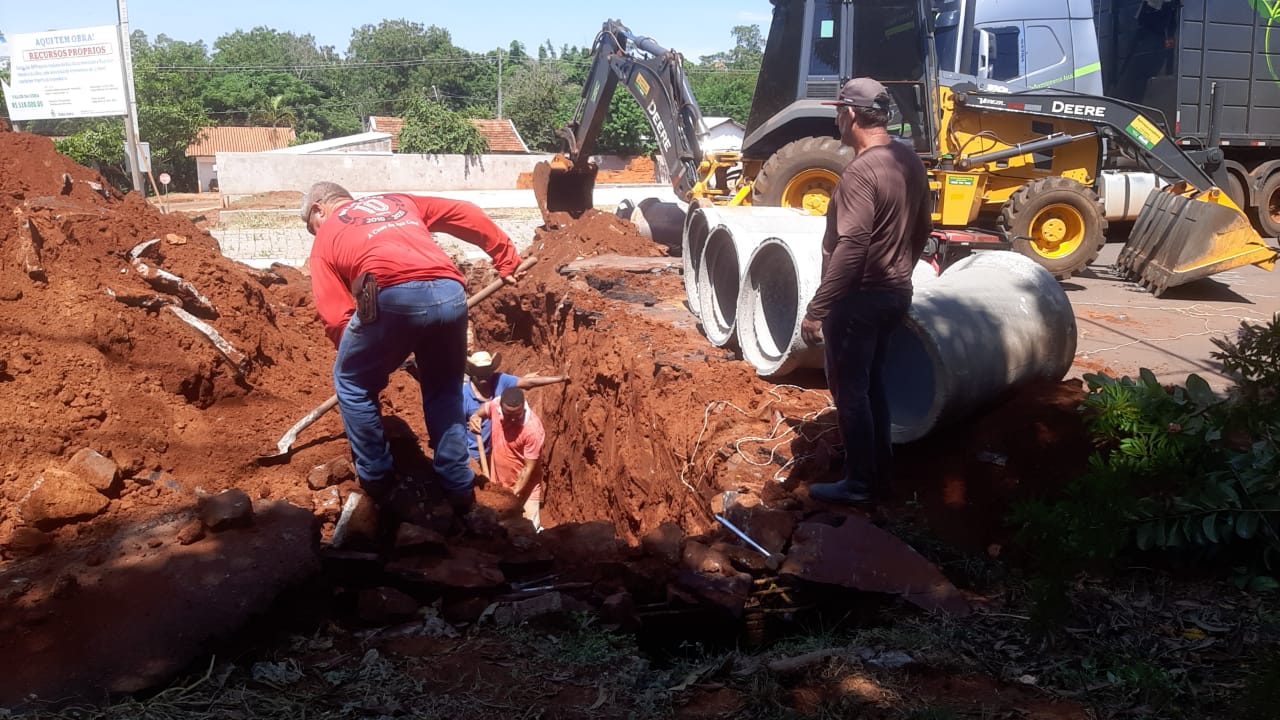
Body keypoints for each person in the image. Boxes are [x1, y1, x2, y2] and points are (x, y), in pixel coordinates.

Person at [303, 181, 522, 516]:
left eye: (311, 227)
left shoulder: (326, 237)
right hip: (450, 293)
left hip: (392, 296)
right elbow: (465, 213)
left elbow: (335, 317)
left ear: (319, 209)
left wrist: (370, 358)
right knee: (444, 388)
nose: (315, 233)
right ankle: (457, 482)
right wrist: (505, 257)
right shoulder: (399, 201)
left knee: (351, 382)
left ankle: (378, 480)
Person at [799, 78, 931, 504]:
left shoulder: (860, 171)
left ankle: (859, 485)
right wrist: (900, 271)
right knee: (873, 384)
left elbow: (852, 246)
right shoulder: (907, 159)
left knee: (851, 391)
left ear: (850, 114)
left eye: (838, 110)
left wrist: (818, 309)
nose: (837, 118)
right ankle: (879, 472)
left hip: (859, 300)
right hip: (895, 293)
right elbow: (922, 229)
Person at [461, 350, 568, 464]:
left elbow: (528, 383)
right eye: (479, 371)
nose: (483, 375)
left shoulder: (499, 380)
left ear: (492, 370)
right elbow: (457, 430)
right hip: (474, 456)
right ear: (471, 371)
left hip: (497, 450)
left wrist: (560, 378)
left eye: (486, 370)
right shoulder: (463, 395)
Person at [468, 386, 546, 531]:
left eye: (517, 414)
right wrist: (475, 417)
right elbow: (485, 408)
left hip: (525, 489)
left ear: (523, 406)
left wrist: (509, 496)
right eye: (508, 414)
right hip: (498, 483)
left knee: (528, 532)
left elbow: (528, 468)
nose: (513, 418)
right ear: (501, 407)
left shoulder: (532, 430)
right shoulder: (496, 405)